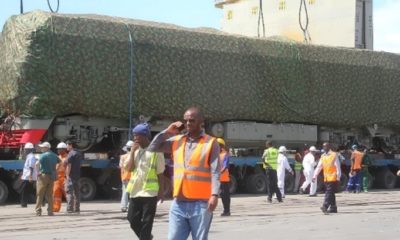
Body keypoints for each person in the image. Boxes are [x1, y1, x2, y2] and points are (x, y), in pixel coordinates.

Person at [148, 107, 220, 240]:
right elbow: (153, 147)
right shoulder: (177, 140)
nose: (187, 124)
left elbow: (215, 171)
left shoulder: (211, 143)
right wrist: (167, 132)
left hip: (201, 204)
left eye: (191, 120)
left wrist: (214, 195)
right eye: (185, 121)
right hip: (178, 203)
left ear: (201, 121)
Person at [124, 123, 165, 240]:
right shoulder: (135, 151)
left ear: (144, 136)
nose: (134, 138)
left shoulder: (156, 151)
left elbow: (160, 173)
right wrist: (132, 152)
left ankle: (145, 237)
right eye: (134, 135)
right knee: (132, 219)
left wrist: (161, 192)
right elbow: (129, 168)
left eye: (136, 135)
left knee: (147, 222)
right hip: (136, 190)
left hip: (150, 192)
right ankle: (147, 237)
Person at [313, 142, 341, 214]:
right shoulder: (323, 156)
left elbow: (338, 167)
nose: (324, 148)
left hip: (333, 177)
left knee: (328, 192)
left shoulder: (334, 155)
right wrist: (314, 176)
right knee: (331, 193)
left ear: (329, 147)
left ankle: (325, 206)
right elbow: (319, 167)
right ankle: (333, 207)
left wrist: (338, 177)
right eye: (323, 147)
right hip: (326, 178)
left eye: (326, 147)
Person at [35, 142, 59, 216]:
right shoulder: (55, 155)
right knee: (49, 195)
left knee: (40, 194)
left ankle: (38, 211)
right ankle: (50, 211)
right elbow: (59, 162)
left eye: (42, 147)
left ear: (47, 148)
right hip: (51, 176)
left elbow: (36, 164)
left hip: (43, 176)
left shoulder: (42, 155)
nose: (41, 148)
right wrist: (55, 170)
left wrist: (38, 172)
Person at [65, 141, 82, 213]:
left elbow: (69, 165)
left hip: (71, 176)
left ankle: (69, 209)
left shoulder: (71, 153)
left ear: (70, 145)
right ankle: (77, 208)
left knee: (69, 192)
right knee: (77, 193)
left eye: (67, 145)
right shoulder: (78, 153)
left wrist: (67, 175)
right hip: (77, 175)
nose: (66, 147)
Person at [20, 142, 37, 208]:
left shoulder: (31, 157)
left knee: (25, 191)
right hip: (26, 177)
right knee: (25, 190)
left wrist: (30, 176)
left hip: (28, 177)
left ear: (29, 149)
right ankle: (24, 203)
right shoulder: (29, 156)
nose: (25, 150)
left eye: (26, 149)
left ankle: (24, 203)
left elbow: (31, 167)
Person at [217, 138, 231, 217]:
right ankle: (225, 210)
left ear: (221, 146)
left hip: (224, 179)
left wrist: (219, 172)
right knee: (222, 196)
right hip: (219, 179)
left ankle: (227, 211)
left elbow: (225, 166)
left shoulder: (225, 154)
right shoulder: (217, 155)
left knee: (225, 196)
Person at [53, 142, 68, 212]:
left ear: (64, 149)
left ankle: (72, 207)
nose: (58, 151)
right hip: (57, 177)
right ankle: (56, 208)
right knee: (56, 193)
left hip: (65, 177)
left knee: (67, 193)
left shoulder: (68, 157)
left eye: (60, 149)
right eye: (58, 149)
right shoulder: (57, 157)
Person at [120, 140, 134, 212]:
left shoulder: (122, 157)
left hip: (124, 176)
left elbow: (120, 166)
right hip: (132, 177)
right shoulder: (134, 156)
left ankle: (123, 206)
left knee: (125, 192)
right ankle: (131, 206)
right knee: (132, 192)